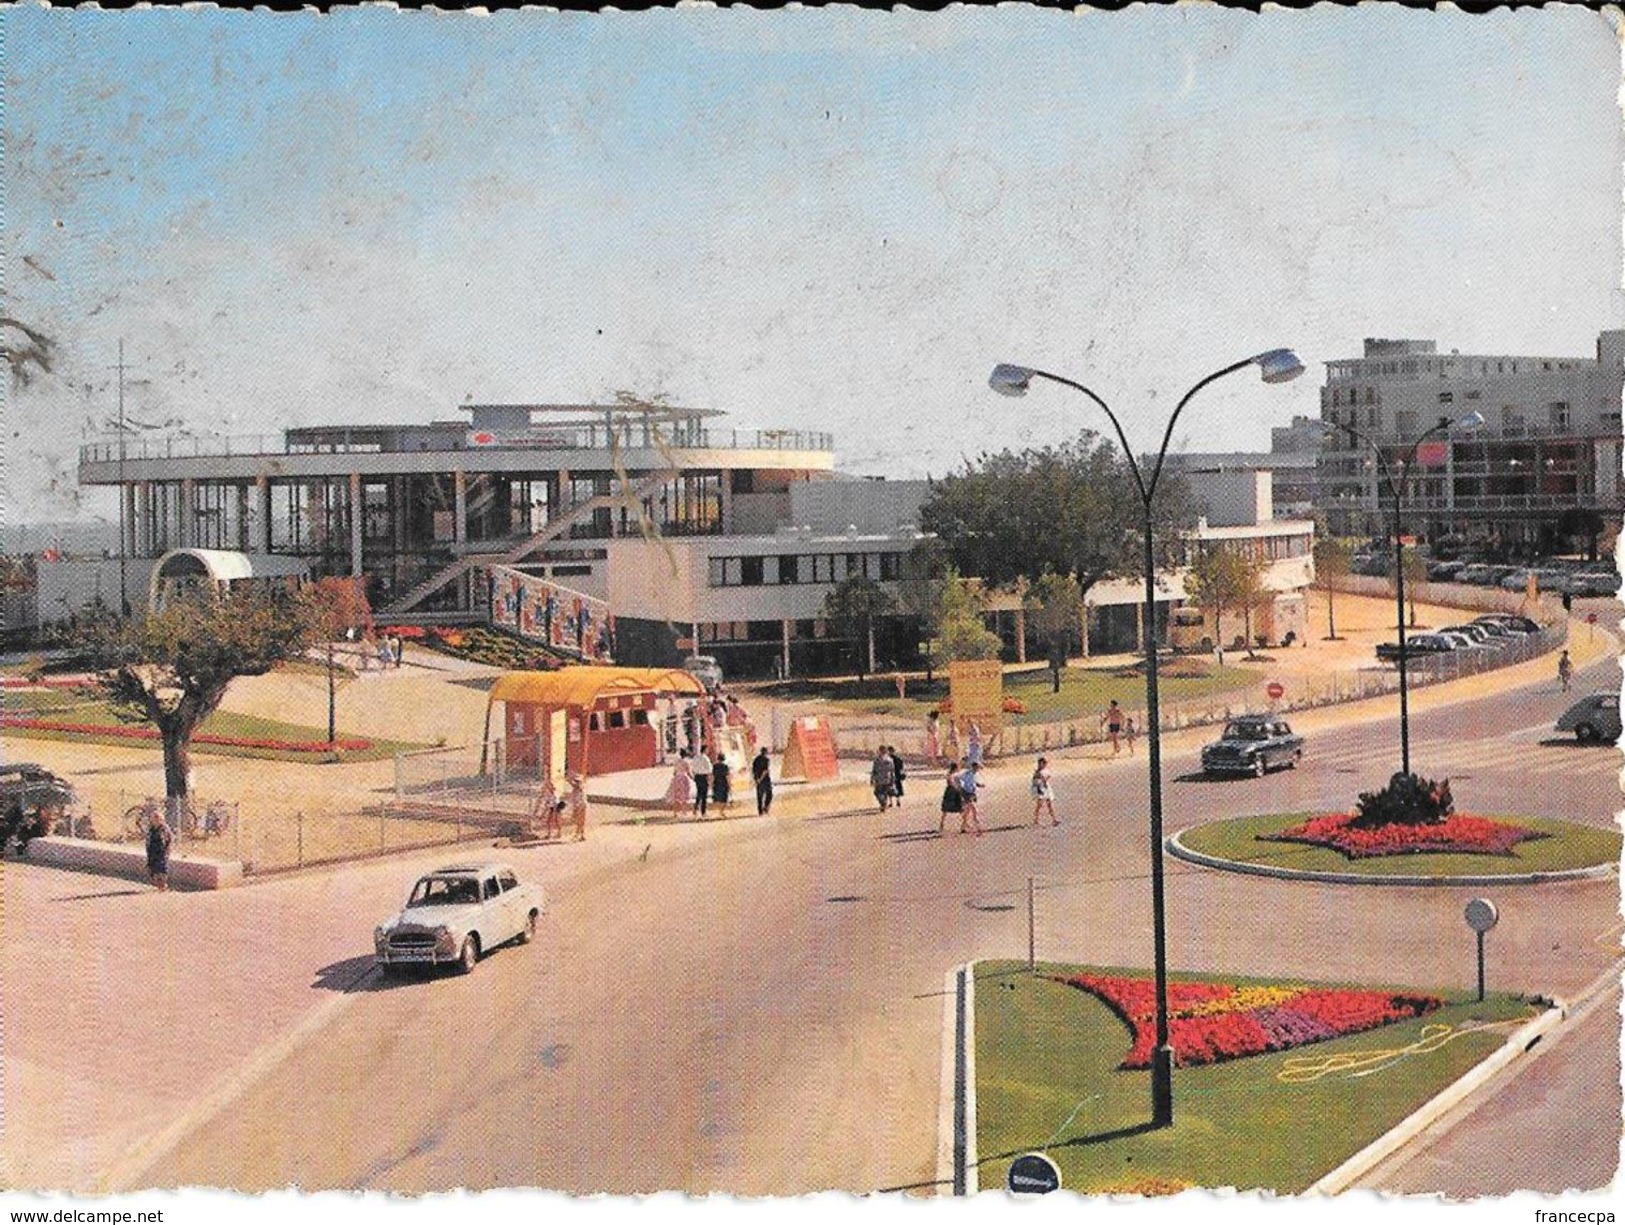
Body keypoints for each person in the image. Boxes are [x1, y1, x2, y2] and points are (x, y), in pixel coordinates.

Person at [145, 808, 173, 892]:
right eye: (154, 819)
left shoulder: (164, 829)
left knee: (162, 868)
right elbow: (148, 839)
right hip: (152, 851)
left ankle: (163, 884)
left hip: (162, 851)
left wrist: (166, 849)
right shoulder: (151, 829)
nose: (155, 821)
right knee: (153, 868)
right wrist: (147, 847)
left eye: (158, 819)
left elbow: (168, 839)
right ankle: (158, 883)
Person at [665, 751, 695, 819]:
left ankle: (675, 813)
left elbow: (674, 772)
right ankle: (684, 812)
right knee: (684, 796)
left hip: (677, 778)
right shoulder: (686, 762)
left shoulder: (676, 762)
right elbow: (689, 772)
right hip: (684, 778)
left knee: (676, 796)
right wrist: (693, 778)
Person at [958, 761, 984, 836]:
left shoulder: (973, 774)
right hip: (966, 793)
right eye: (976, 768)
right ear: (973, 767)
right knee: (973, 810)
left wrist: (979, 785)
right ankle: (978, 827)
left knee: (968, 811)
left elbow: (973, 783)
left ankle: (963, 827)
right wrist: (960, 788)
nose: (977, 769)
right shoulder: (966, 773)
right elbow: (958, 779)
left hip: (971, 793)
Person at [938, 762, 965, 835]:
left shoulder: (951, 774)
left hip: (950, 792)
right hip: (952, 792)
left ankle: (942, 825)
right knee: (959, 808)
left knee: (946, 810)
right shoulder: (951, 775)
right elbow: (952, 783)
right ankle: (964, 824)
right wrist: (959, 789)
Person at [1031, 757, 1058, 827]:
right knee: (1039, 805)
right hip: (1041, 789)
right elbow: (1034, 781)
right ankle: (1036, 820)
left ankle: (1054, 820)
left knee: (1049, 805)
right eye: (1040, 764)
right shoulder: (1037, 772)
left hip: (1046, 789)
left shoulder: (1045, 771)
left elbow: (1047, 778)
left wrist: (1044, 780)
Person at [870, 746, 896, 811]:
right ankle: (884, 804)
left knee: (877, 792)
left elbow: (874, 770)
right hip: (887, 778)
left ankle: (883, 804)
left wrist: (872, 779)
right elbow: (892, 770)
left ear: (880, 751)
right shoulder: (890, 760)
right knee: (884, 792)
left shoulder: (877, 760)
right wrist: (892, 780)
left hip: (879, 779)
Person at [751, 747, 774, 815]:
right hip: (765, 780)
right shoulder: (766, 760)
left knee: (759, 796)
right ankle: (765, 807)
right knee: (769, 794)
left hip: (757, 779)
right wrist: (761, 779)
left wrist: (756, 779)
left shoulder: (755, 760)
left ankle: (760, 811)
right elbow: (765, 771)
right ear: (766, 752)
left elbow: (753, 770)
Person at [693, 745, 713, 816]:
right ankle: (703, 811)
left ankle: (696, 808)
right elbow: (709, 769)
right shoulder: (705, 758)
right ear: (705, 750)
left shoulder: (696, 757)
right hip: (704, 776)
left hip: (697, 776)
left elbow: (693, 767)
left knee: (699, 793)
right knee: (704, 795)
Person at [568, 774, 588, 842]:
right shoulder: (578, 788)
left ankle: (578, 834)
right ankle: (581, 834)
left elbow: (572, 783)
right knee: (581, 820)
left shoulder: (579, 789)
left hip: (580, 805)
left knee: (579, 820)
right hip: (581, 804)